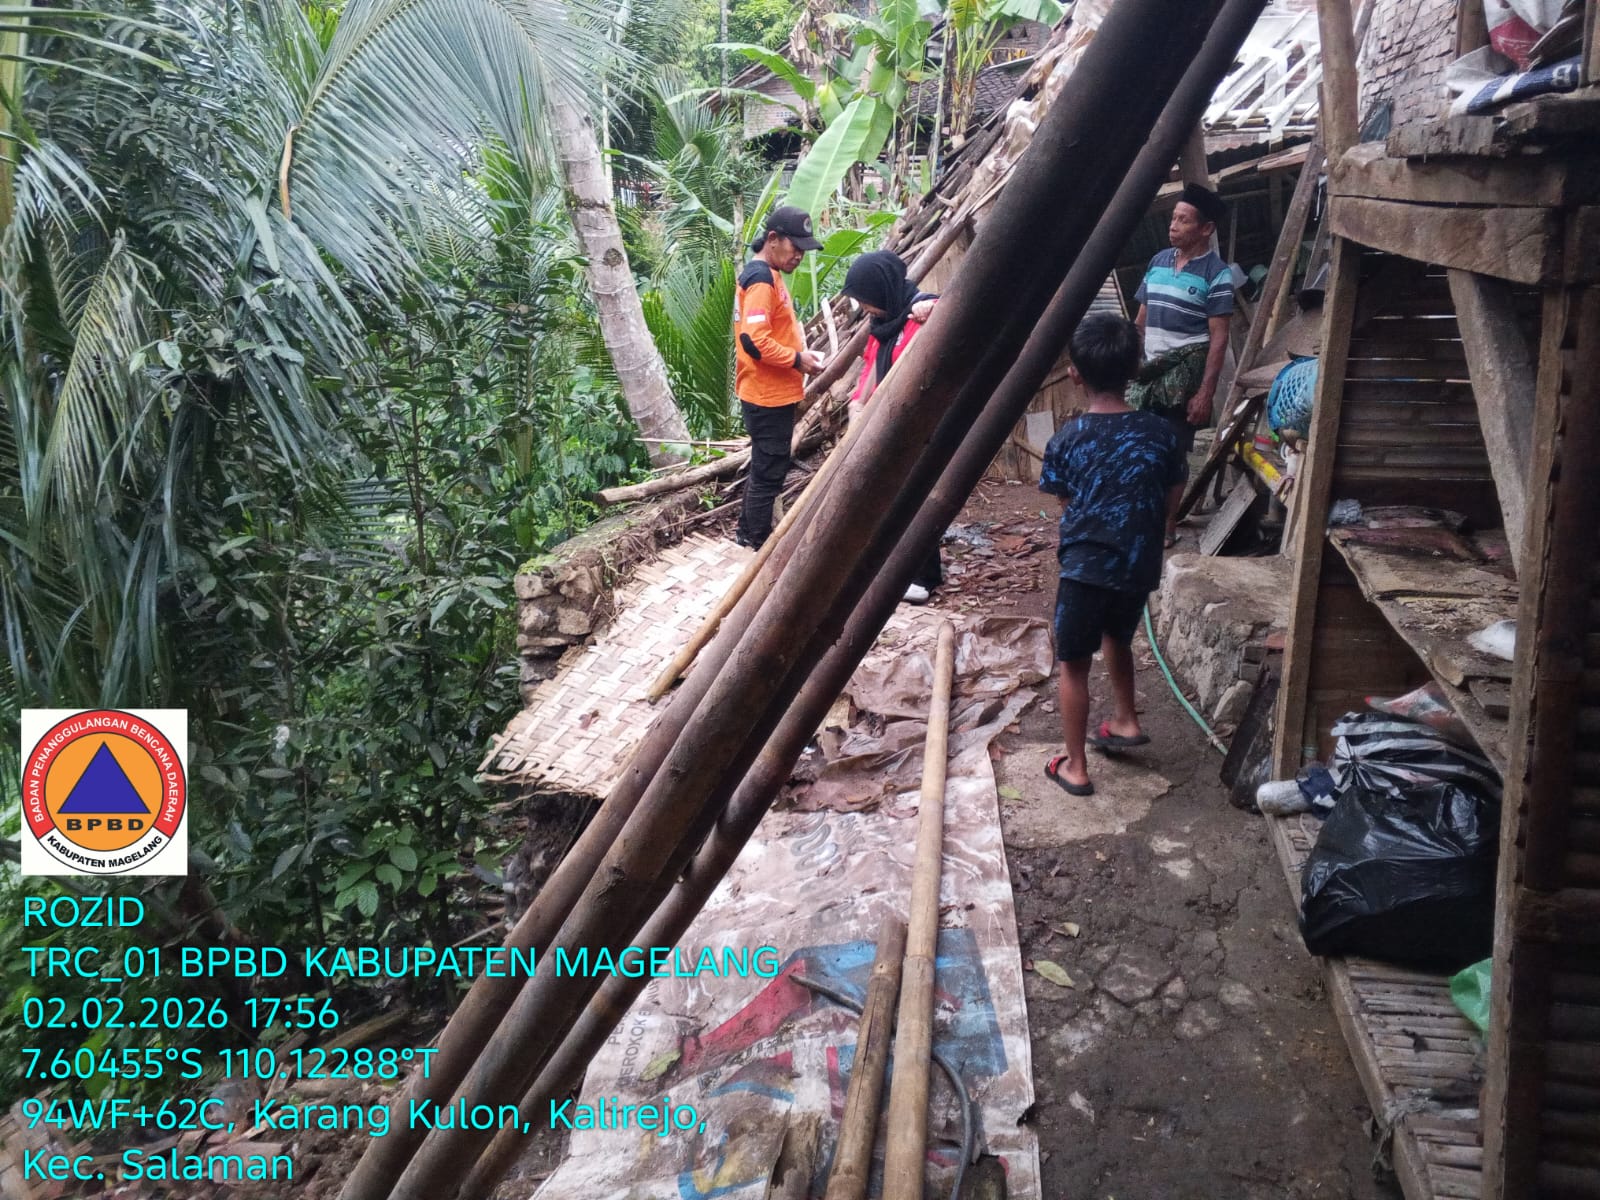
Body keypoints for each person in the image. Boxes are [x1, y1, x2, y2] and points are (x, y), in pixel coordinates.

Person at [1038, 313, 1186, 797]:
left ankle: (1075, 767)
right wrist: (1158, 527)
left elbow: (1067, 502)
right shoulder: (1163, 433)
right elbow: (1173, 493)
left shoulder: (1065, 440)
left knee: (1073, 664)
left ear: (1074, 374)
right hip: (1138, 564)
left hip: (1085, 569)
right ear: (1136, 368)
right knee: (1118, 637)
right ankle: (1125, 720)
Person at [1130, 181, 1234, 547]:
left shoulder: (1216, 275)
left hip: (1183, 380)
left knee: (1172, 454)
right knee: (1140, 450)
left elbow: (1218, 339)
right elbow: (1140, 322)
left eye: (1183, 220)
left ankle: (1167, 526)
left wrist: (1205, 393)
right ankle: (1141, 518)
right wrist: (1130, 362)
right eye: (1173, 218)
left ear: (1206, 229)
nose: (1173, 226)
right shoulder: (1158, 262)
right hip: (1148, 374)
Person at [840, 250, 940, 604]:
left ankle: (924, 577)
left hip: (920, 425)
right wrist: (857, 407)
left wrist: (935, 308)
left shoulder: (920, 313)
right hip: (888, 425)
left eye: (867, 299)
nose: (865, 307)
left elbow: (957, 311)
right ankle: (895, 568)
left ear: (884, 289)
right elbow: (870, 370)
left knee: (914, 499)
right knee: (891, 500)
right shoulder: (882, 325)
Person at [734, 205, 826, 549]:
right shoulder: (760, 279)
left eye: (803, 250)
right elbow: (754, 341)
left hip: (770, 391)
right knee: (769, 472)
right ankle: (755, 541)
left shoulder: (768, 274)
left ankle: (747, 532)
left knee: (765, 468)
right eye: (795, 247)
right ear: (773, 239)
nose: (799, 255)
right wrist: (797, 359)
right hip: (766, 395)